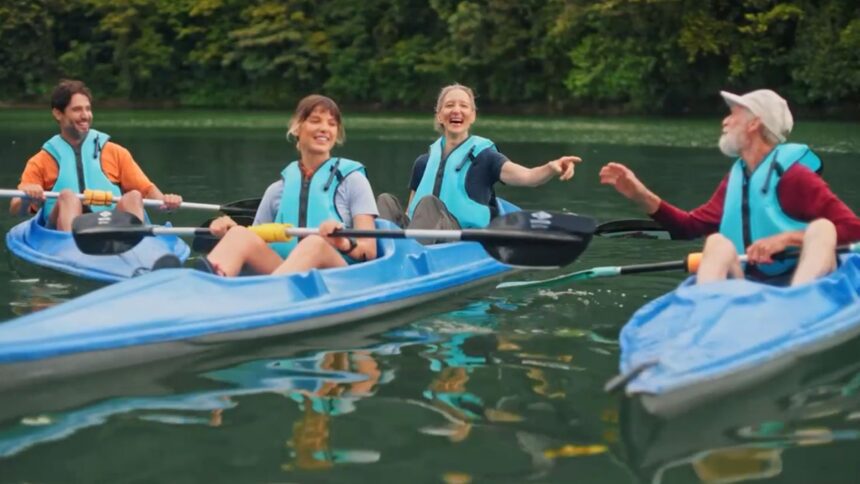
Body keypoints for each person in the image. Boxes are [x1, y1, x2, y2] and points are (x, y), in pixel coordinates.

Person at [600, 89, 860, 286]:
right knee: (716, 243)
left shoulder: (796, 178)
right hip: (747, 287)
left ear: (754, 123)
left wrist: (788, 239)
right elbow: (688, 227)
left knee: (823, 229)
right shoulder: (737, 179)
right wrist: (638, 194)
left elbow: (853, 230)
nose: (725, 121)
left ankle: (793, 309)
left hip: (798, 284)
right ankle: (707, 309)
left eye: (733, 114)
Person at [199, 94, 378, 276]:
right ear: (297, 128)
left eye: (332, 124)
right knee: (239, 234)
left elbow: (369, 252)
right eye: (315, 121)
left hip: (339, 276)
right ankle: (207, 285)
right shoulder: (276, 190)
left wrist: (344, 243)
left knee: (314, 243)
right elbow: (255, 238)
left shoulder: (353, 181)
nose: (324, 128)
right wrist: (228, 231)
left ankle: (271, 292)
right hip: (284, 271)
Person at [377, 83, 582, 231]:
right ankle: (377, 255)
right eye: (449, 106)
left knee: (430, 204)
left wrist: (551, 168)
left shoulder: (486, 158)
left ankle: (407, 259)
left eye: (463, 106)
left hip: (458, 237)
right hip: (418, 235)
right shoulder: (423, 163)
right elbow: (410, 211)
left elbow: (528, 177)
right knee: (385, 200)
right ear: (439, 115)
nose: (456, 110)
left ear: (472, 115)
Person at [10, 79, 182, 231]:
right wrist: (28, 196)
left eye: (88, 109)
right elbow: (15, 208)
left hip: (111, 225)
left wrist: (166, 202)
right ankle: (74, 248)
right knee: (68, 196)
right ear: (58, 113)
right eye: (77, 110)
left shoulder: (115, 152)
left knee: (134, 196)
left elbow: (148, 190)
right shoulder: (41, 160)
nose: (85, 115)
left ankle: (134, 243)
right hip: (62, 233)